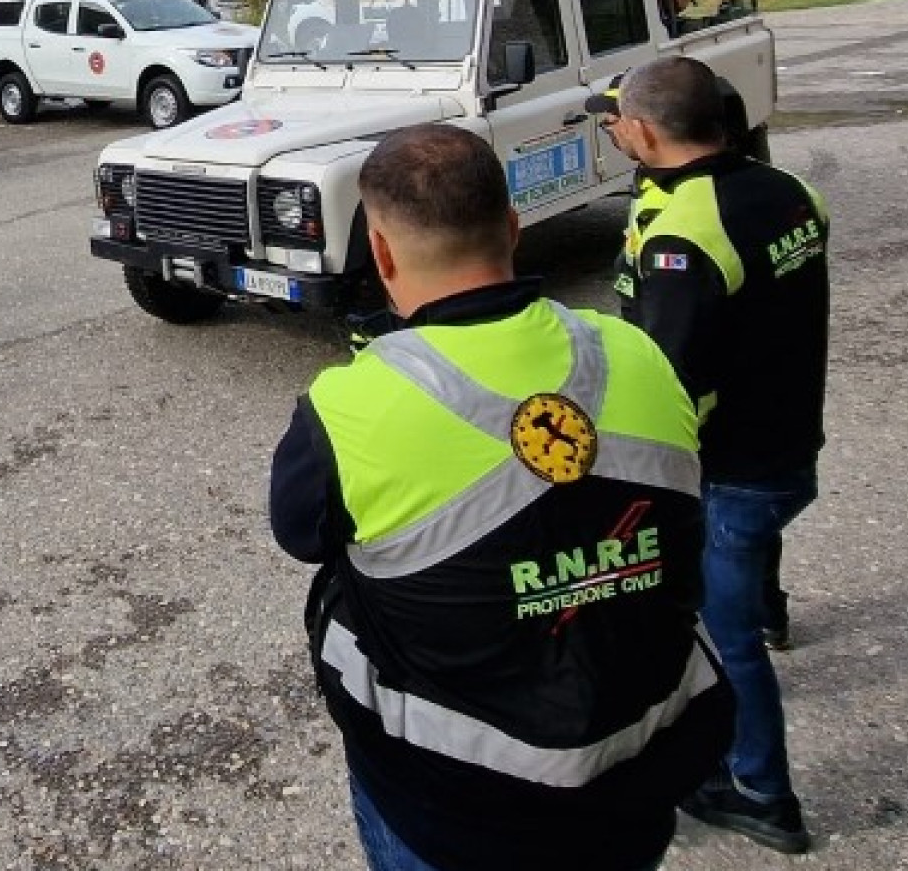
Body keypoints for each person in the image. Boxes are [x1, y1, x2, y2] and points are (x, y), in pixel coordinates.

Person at [268, 123, 731, 871]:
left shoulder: (346, 407)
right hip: (635, 778)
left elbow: (299, 535)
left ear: (381, 254)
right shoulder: (635, 352)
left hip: (448, 801)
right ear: (513, 229)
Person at [590, 56, 830, 855]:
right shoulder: (789, 189)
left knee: (724, 639)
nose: (612, 127)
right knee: (756, 558)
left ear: (647, 132)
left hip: (734, 468)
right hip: (793, 437)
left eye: (618, 117)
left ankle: (763, 792)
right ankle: (772, 610)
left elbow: (671, 382)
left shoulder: (685, 236)